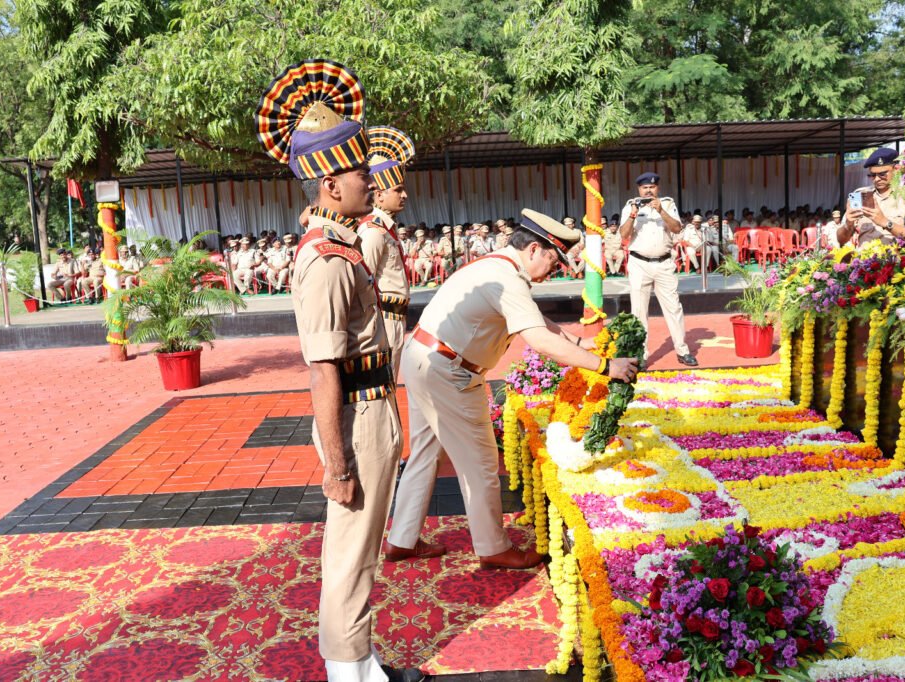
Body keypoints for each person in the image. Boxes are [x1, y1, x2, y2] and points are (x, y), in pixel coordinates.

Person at [256, 58, 422, 682]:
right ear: (330, 184)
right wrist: (337, 467)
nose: (369, 182)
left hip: (375, 404)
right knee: (351, 554)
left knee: (361, 551)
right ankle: (347, 673)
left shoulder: (344, 245)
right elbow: (322, 371)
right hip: (357, 416)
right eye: (358, 172)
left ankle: (360, 663)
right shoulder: (325, 260)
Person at [383, 209, 641, 569]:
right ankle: (492, 547)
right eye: (554, 260)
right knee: (482, 461)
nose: (557, 269)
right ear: (534, 248)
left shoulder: (500, 267)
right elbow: (537, 338)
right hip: (448, 370)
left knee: (426, 451)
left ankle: (401, 539)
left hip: (428, 358)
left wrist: (579, 344)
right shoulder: (506, 279)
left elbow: (535, 319)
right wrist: (605, 367)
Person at [619, 172, 697, 366]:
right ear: (639, 189)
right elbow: (624, 235)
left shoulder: (668, 204)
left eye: (652, 187)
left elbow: (677, 228)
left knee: (673, 307)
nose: (648, 190)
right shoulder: (630, 206)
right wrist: (632, 215)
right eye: (645, 187)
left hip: (663, 263)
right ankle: (641, 355)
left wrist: (661, 210)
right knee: (638, 310)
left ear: (657, 188)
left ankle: (682, 350)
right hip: (639, 264)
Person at [359, 125, 415, 376]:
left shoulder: (386, 228)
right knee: (384, 383)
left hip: (396, 318)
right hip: (384, 320)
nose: (404, 195)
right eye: (398, 190)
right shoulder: (373, 231)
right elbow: (364, 281)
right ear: (379, 195)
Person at [838, 148, 905, 247]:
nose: (877, 179)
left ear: (896, 170)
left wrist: (885, 222)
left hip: (894, 260)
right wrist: (848, 224)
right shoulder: (859, 195)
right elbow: (841, 240)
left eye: (882, 174)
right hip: (864, 260)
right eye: (872, 175)